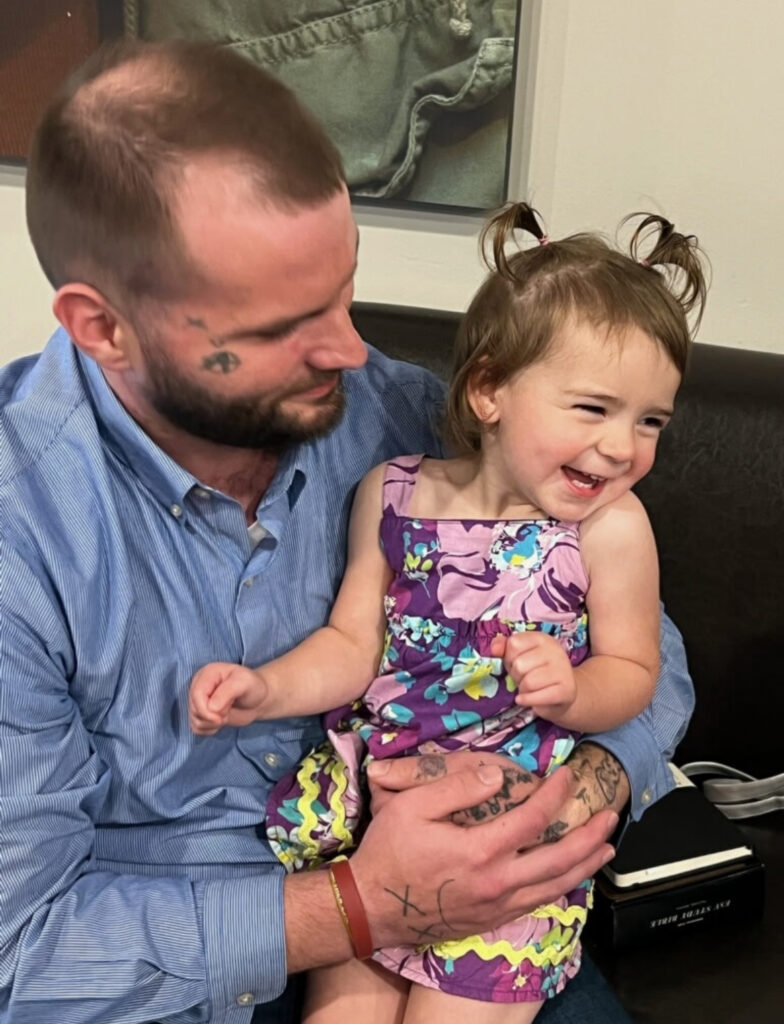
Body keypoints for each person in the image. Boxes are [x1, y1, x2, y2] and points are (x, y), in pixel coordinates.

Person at [0, 37, 694, 1024]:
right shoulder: (21, 531)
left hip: (478, 895)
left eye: (342, 289)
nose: (347, 349)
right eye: (281, 322)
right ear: (104, 327)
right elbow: (23, 951)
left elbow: (642, 643)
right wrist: (364, 903)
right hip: (171, 969)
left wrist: (581, 788)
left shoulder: (393, 412)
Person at [189, 203, 707, 1022]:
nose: (622, 448)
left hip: (510, 844)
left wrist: (573, 693)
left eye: (650, 422)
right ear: (490, 388)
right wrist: (267, 688)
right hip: (372, 827)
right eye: (594, 409)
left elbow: (637, 671)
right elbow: (351, 643)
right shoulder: (390, 490)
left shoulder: (610, 527)